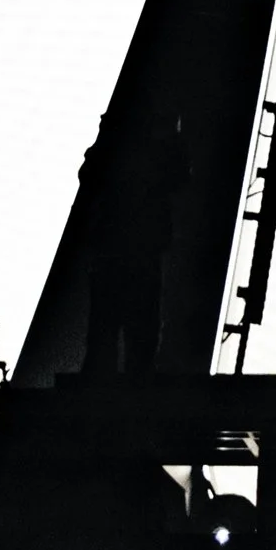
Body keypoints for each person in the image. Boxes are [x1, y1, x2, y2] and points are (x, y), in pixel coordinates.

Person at [80, 112, 191, 379]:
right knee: (137, 325)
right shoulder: (153, 149)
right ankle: (131, 379)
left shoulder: (119, 146)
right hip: (138, 247)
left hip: (118, 245)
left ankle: (105, 380)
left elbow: (89, 175)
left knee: (110, 325)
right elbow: (180, 178)